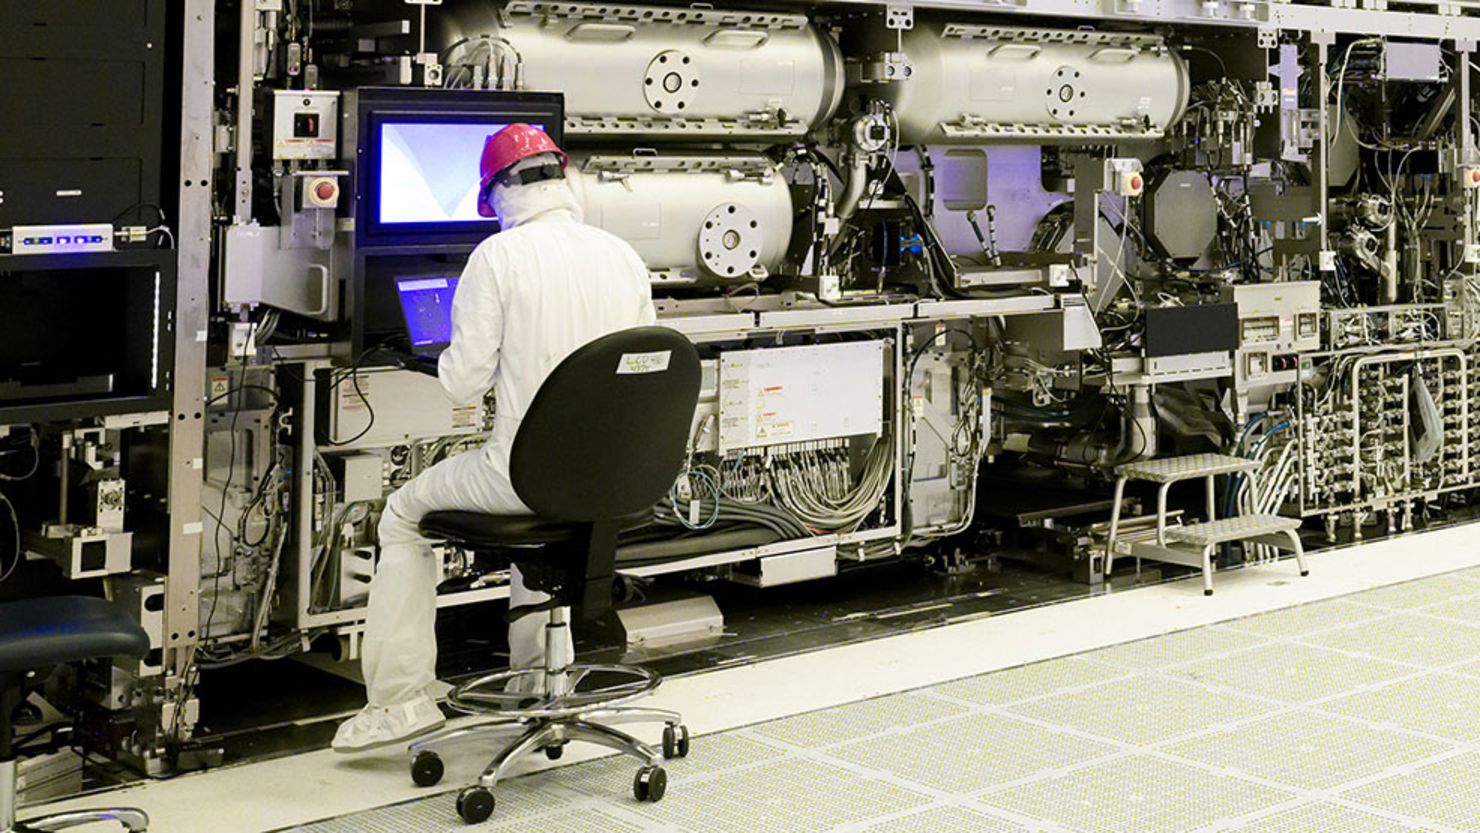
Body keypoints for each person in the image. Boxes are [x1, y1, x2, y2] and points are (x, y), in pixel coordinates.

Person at [333, 125, 656, 752]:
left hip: (523, 479)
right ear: (559, 178)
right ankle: (538, 681)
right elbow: (639, 365)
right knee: (549, 517)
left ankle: (400, 703)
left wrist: (435, 358)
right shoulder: (620, 255)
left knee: (401, 513)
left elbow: (462, 384)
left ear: (495, 196)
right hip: (616, 478)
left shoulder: (497, 257)